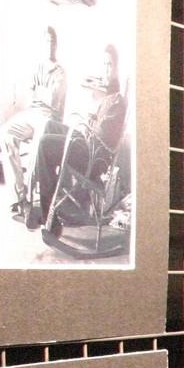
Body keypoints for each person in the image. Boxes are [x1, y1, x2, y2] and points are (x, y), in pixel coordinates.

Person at [28, 45, 127, 235]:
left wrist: (92, 118)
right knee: (50, 125)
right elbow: (97, 125)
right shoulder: (108, 95)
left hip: (92, 157)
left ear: (116, 69)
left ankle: (50, 215)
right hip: (87, 144)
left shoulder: (117, 100)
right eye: (104, 64)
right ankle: (55, 201)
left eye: (109, 65)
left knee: (44, 144)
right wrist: (92, 117)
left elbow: (103, 135)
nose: (106, 69)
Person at [0, 26, 68, 217]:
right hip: (33, 112)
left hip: (48, 117)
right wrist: (41, 90)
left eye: (52, 42)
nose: (49, 45)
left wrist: (38, 89)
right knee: (6, 133)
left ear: (57, 45)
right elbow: (29, 91)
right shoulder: (36, 67)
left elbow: (54, 101)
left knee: (39, 142)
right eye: (46, 41)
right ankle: (20, 196)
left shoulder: (61, 73)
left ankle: (30, 196)